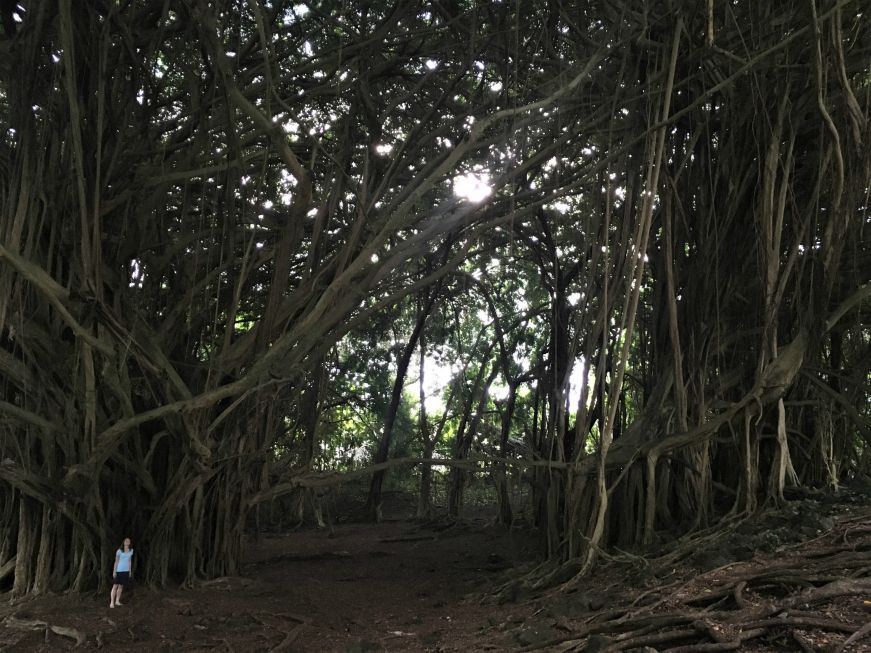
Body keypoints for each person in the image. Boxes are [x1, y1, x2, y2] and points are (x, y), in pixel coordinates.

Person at [109, 537, 134, 608]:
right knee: (115, 586)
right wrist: (114, 571)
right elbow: (116, 562)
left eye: (128, 541)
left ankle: (117, 601)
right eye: (126, 540)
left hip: (126, 571)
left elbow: (129, 561)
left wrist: (130, 571)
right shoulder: (119, 551)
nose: (127, 542)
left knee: (121, 586)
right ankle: (112, 602)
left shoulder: (131, 551)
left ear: (129, 543)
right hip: (119, 571)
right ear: (123, 542)